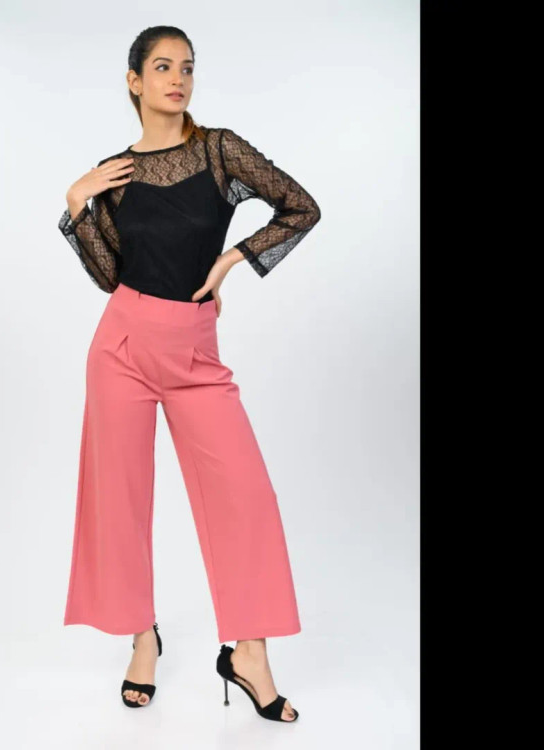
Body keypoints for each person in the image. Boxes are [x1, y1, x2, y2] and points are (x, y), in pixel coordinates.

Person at [57, 26, 321, 723]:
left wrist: (232, 259)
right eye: (162, 66)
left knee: (246, 496)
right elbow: (110, 274)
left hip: (195, 352)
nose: (178, 78)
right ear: (134, 81)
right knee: (119, 499)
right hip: (122, 347)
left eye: (187, 67)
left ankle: (249, 653)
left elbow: (302, 207)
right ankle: (141, 636)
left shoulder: (219, 151)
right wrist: (77, 203)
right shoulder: (114, 172)